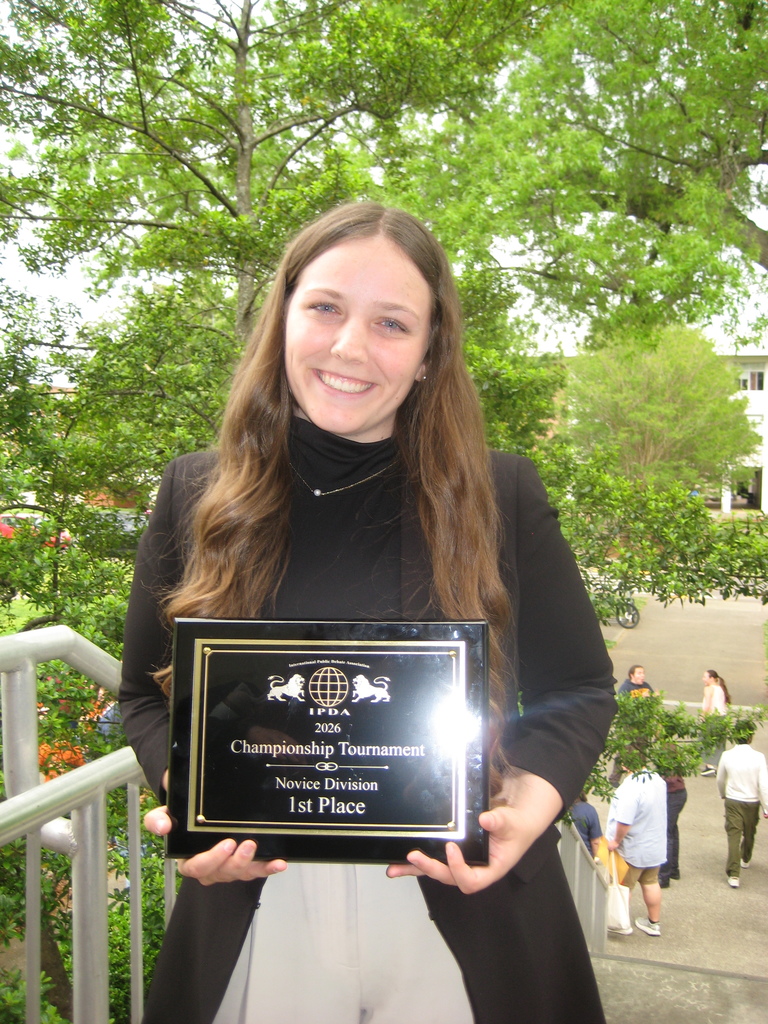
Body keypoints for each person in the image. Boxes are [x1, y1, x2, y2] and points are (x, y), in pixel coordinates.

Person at [119, 202, 617, 1024]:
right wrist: (194, 790)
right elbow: (142, 694)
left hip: (463, 907)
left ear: (429, 352)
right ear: (282, 317)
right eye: (324, 308)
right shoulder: (195, 493)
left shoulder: (501, 493)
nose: (350, 347)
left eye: (392, 323)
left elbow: (580, 688)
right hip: (261, 912)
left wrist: (532, 799)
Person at [606, 766, 667, 937]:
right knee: (651, 882)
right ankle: (654, 923)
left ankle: (620, 922)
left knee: (624, 887)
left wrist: (615, 841)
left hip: (633, 848)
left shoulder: (630, 787)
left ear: (626, 765)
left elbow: (624, 821)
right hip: (654, 846)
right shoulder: (657, 779)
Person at [715, 723, 768, 888]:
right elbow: (764, 784)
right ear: (751, 736)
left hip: (733, 799)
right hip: (752, 800)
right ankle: (745, 856)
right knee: (749, 831)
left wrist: (722, 793)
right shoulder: (759, 757)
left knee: (733, 835)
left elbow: (720, 778)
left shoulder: (727, 755)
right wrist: (766, 806)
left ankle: (734, 873)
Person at [658, 774, 687, 888]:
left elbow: (668, 779)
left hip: (673, 794)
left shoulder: (667, 761)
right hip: (677, 793)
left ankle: (664, 876)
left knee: (667, 834)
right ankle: (674, 870)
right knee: (672, 830)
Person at [700, 669, 731, 776]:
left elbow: (708, 703)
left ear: (712, 678)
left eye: (705, 677)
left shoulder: (708, 688)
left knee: (706, 740)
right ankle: (721, 766)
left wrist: (703, 715)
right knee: (719, 743)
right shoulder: (721, 688)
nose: (703, 679)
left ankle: (709, 765)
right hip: (722, 717)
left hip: (712, 717)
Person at [570, 791, 603, 856]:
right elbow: (595, 842)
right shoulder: (589, 810)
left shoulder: (557, 809)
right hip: (584, 857)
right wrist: (594, 859)